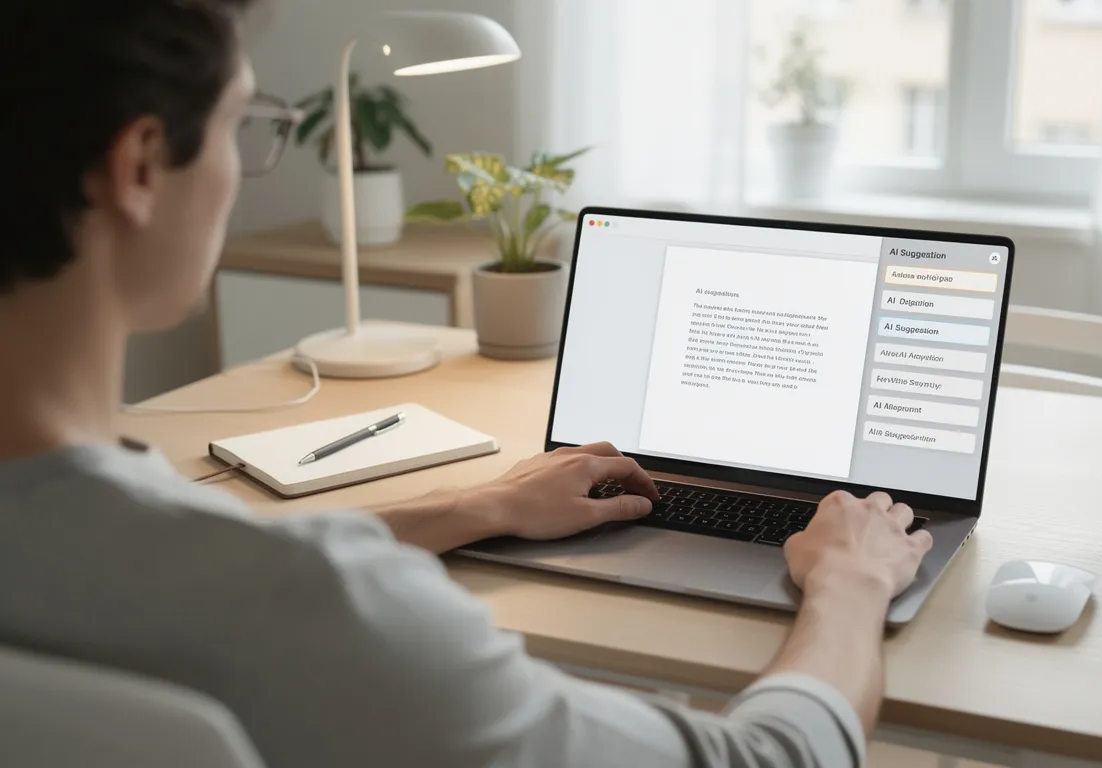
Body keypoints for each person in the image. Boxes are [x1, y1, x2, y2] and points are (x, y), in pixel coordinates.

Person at [0, 2, 935, 766]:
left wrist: (464, 506)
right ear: (137, 167)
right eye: (246, 124)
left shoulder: (138, 559)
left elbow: (182, 566)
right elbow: (768, 758)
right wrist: (851, 583)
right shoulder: (326, 614)